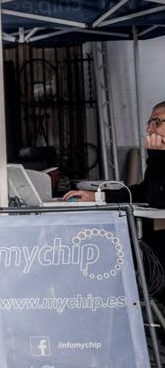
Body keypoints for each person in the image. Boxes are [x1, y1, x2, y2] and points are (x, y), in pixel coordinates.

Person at [65, 100, 165, 282]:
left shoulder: (159, 158)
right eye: (149, 123)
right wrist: (98, 196)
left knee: (140, 256)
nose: (150, 129)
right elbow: (143, 192)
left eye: (157, 122)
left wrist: (156, 157)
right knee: (116, 248)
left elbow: (158, 198)